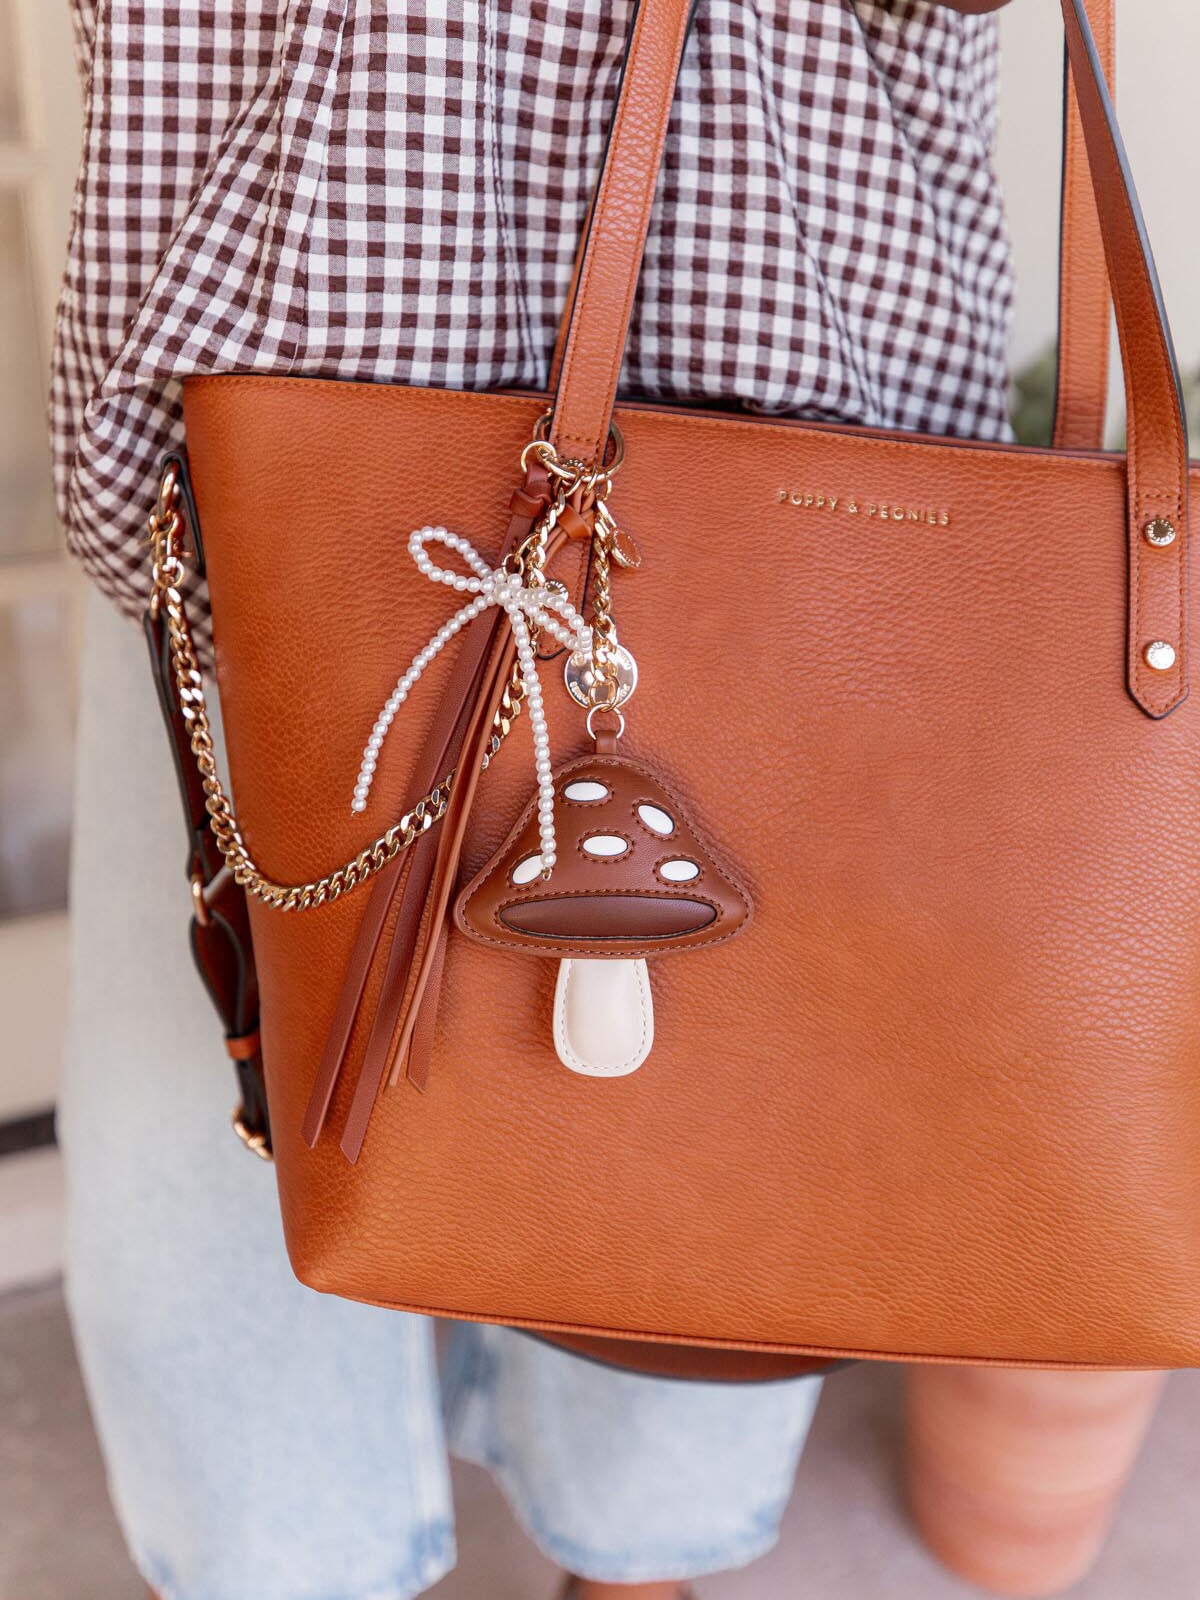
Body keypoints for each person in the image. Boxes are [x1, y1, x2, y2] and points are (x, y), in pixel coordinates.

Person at [52, 4, 1160, 1600]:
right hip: (282, 401)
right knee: (215, 1228)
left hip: (777, 387)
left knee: (722, 1159)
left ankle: (636, 1567)